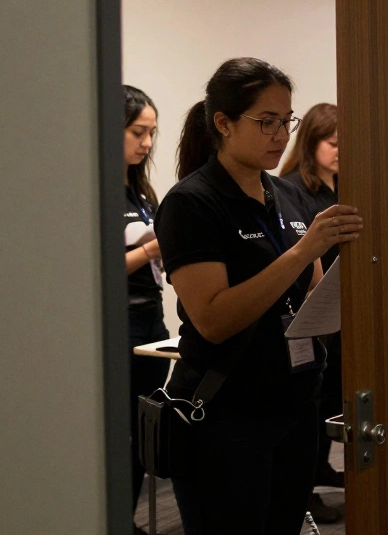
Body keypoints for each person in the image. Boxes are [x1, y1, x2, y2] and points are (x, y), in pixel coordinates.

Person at [155, 58, 362, 535]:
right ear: (223, 124)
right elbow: (213, 319)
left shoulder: (285, 196)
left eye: (285, 121)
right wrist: (305, 250)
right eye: (266, 122)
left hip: (294, 405)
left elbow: (308, 293)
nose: (280, 134)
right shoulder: (193, 203)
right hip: (227, 413)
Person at [278, 103, 344, 522]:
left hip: (336, 309)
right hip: (308, 311)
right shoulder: (292, 190)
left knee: (331, 392)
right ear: (311, 143)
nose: (341, 151)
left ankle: (319, 468)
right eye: (334, 143)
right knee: (313, 400)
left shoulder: (341, 185)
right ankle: (304, 490)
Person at [122, 85, 169, 534]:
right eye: (138, 132)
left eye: (152, 133)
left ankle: (128, 515)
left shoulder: (139, 192)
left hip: (150, 314)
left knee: (143, 426)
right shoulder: (96, 191)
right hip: (122, 321)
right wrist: (153, 248)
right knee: (121, 429)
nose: (147, 144)